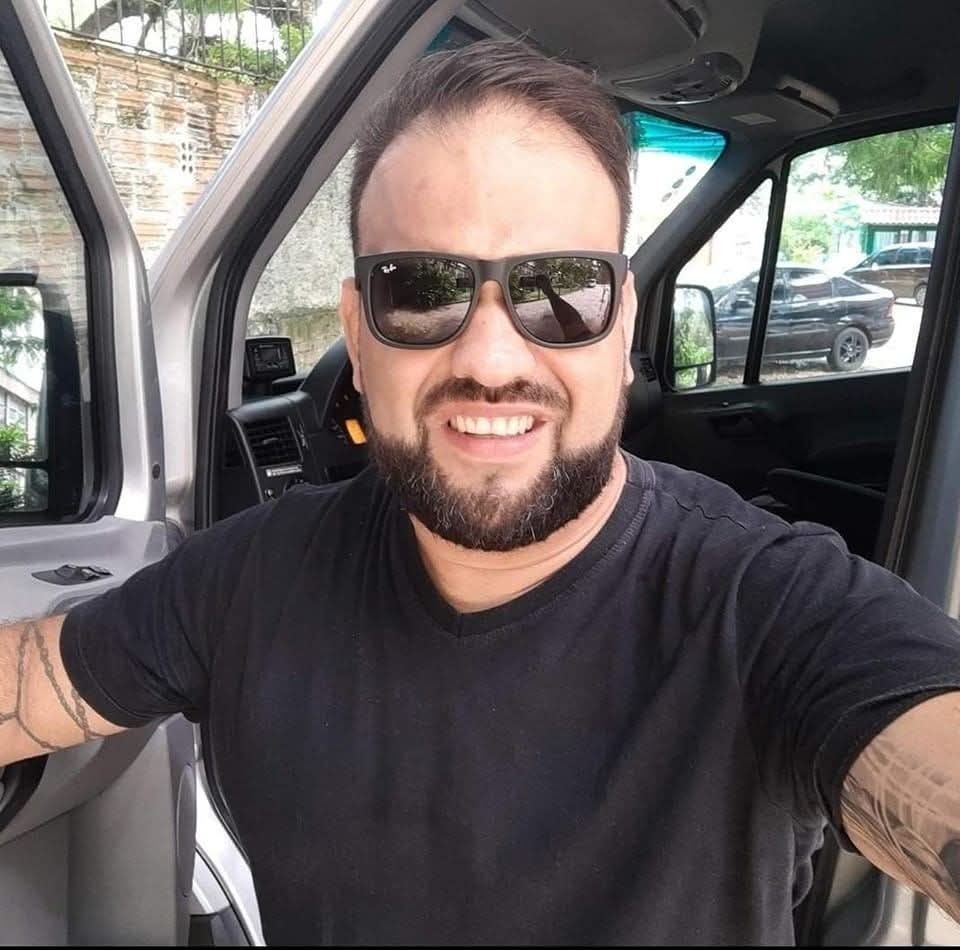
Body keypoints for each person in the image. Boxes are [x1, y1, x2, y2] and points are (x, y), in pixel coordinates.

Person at [3, 39, 960, 946]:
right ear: (357, 335)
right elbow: (37, 685)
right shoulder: (247, 581)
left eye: (562, 289)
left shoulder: (774, 608)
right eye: (421, 290)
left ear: (624, 325)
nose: (493, 360)